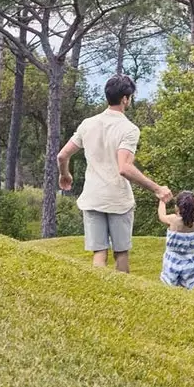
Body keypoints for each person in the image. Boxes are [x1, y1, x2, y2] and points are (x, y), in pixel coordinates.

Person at [57, 75, 172, 273]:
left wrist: (64, 175)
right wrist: (157, 188)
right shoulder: (129, 129)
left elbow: (62, 156)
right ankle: (123, 297)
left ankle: (101, 294)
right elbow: (124, 168)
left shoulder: (88, 124)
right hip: (118, 199)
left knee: (99, 253)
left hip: (93, 196)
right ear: (126, 99)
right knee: (121, 253)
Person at [158, 191, 194, 290]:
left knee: (169, 289)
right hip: (190, 261)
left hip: (172, 260)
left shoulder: (173, 220)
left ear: (177, 207)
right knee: (187, 290)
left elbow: (161, 216)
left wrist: (162, 201)